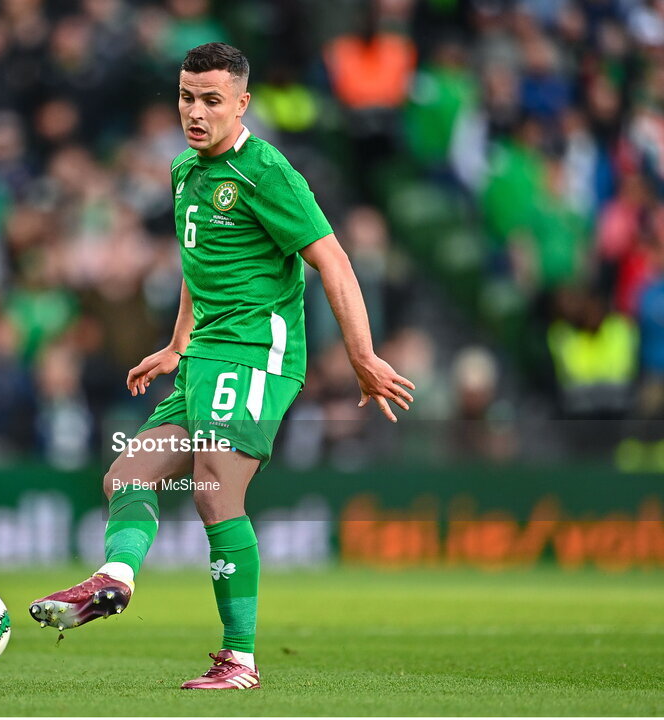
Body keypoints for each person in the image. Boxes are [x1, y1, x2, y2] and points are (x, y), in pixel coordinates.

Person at [29, 42, 415, 690]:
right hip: (204, 352)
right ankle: (114, 582)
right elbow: (197, 263)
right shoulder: (183, 170)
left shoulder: (267, 172)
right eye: (186, 97)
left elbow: (335, 261)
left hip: (256, 354)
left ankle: (240, 661)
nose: (196, 112)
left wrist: (362, 356)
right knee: (125, 476)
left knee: (213, 489)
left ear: (243, 103)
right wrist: (178, 344)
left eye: (212, 100)